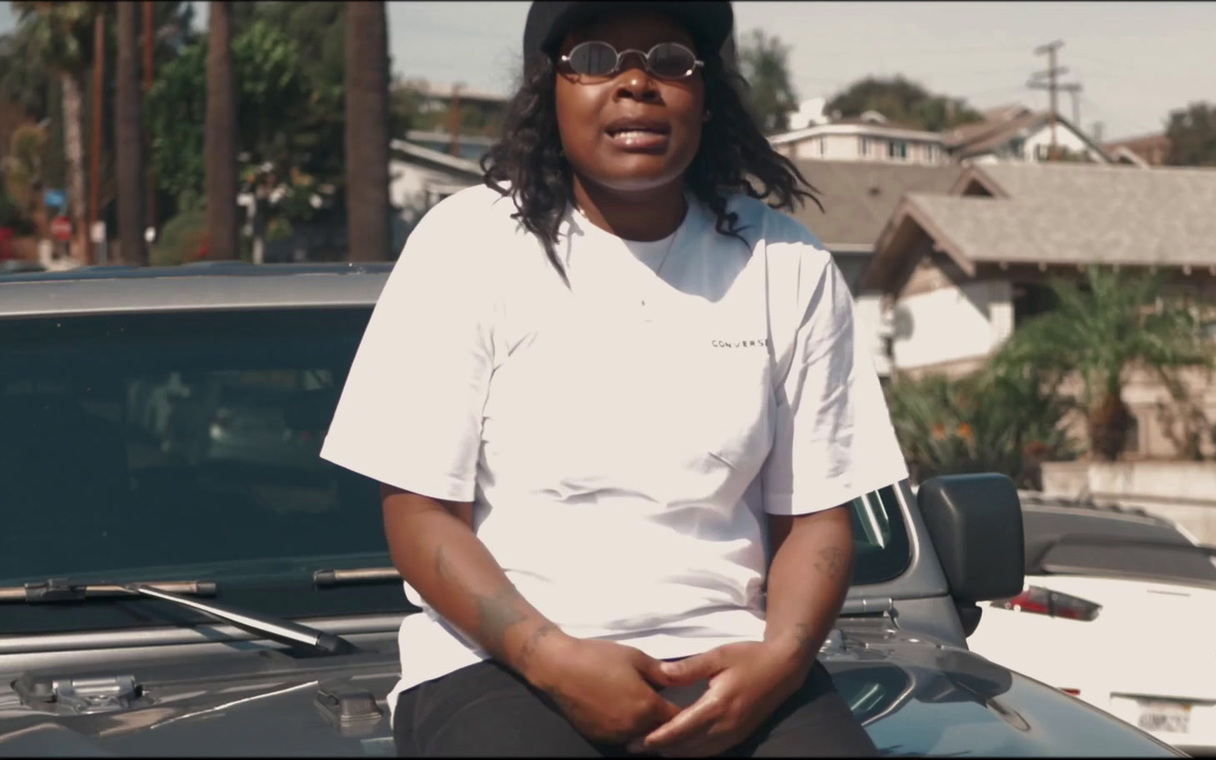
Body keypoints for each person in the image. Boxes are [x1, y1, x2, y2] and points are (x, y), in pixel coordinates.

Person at [319, 1, 908, 756]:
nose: (636, 83)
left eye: (669, 60)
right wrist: (550, 657)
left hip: (731, 660)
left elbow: (816, 518)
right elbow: (418, 513)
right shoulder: (464, 245)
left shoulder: (787, 265)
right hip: (499, 664)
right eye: (596, 59)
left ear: (707, 92)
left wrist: (781, 660)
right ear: (550, 89)